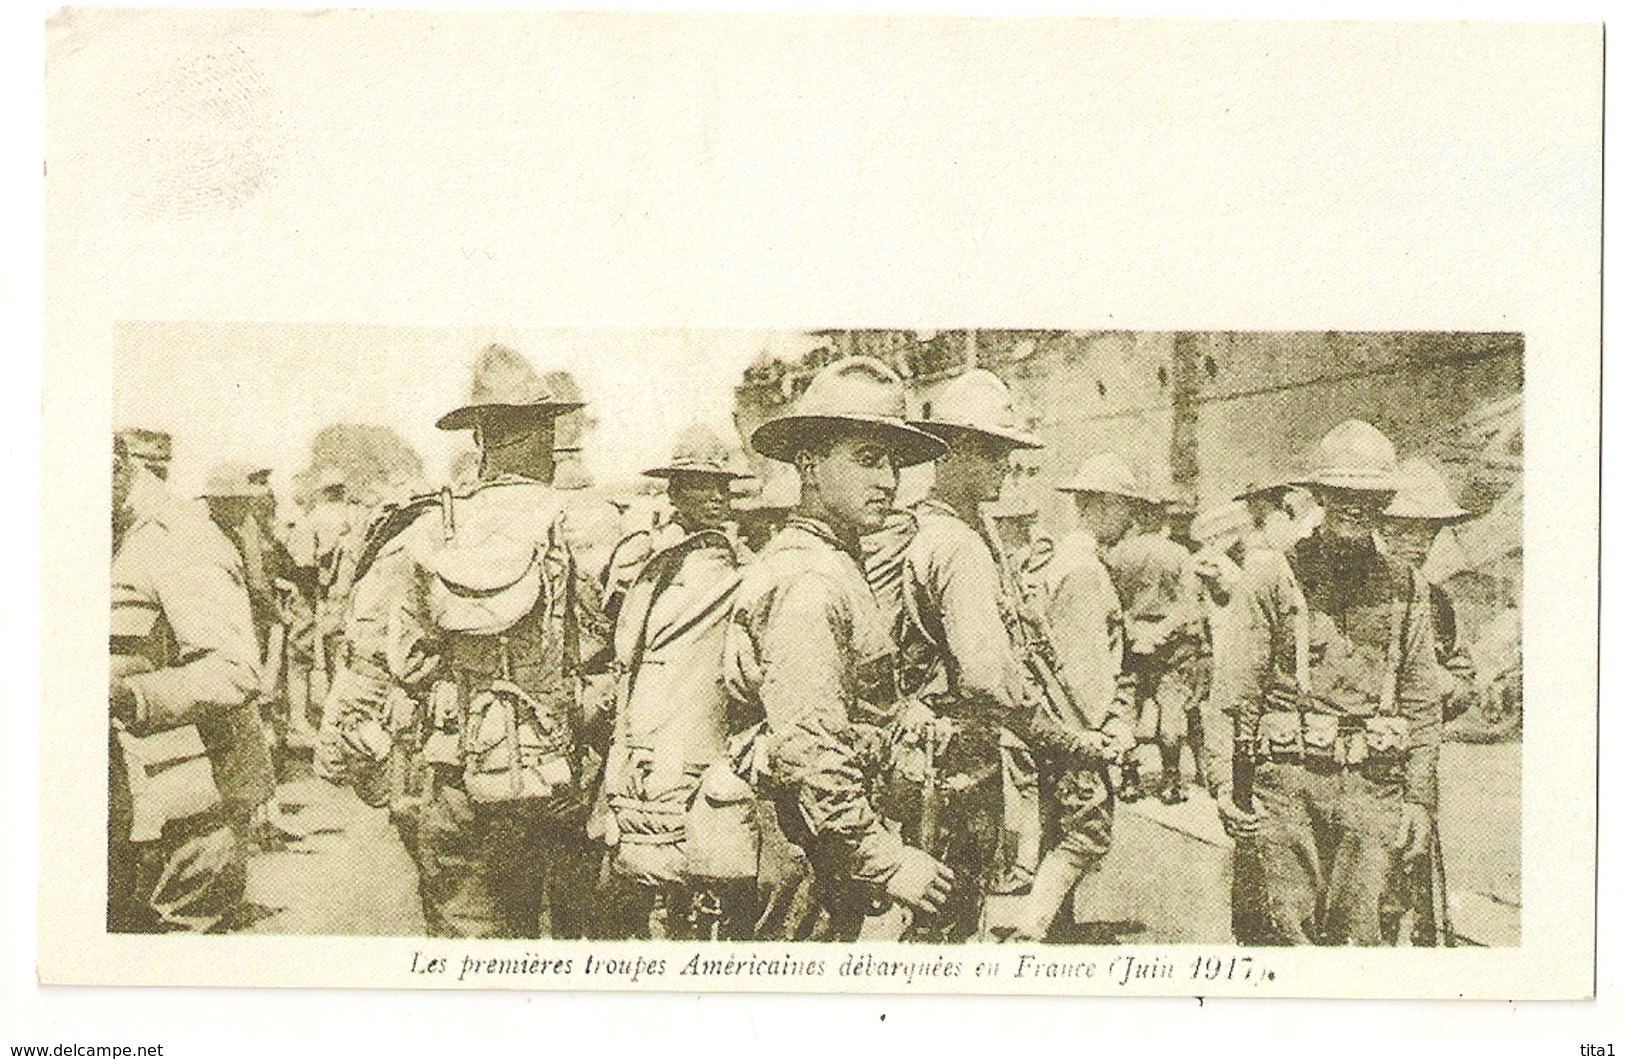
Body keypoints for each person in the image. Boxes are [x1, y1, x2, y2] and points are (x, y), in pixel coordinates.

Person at [318, 343, 611, 939]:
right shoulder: (592, 524)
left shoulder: (424, 529)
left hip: (457, 780)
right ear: (548, 432)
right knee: (574, 957)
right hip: (563, 783)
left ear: (480, 437)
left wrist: (349, 759)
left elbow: (368, 664)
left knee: (471, 958)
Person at [723, 356, 955, 942]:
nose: (887, 481)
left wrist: (904, 715)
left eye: (893, 464)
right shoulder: (811, 583)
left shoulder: (833, 564)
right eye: (868, 460)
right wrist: (885, 859)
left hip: (820, 846)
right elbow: (809, 748)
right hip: (805, 853)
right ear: (810, 465)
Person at [878, 367, 1093, 941]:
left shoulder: (934, 526)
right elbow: (987, 679)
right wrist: (1068, 740)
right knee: (945, 926)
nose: (1007, 467)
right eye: (996, 452)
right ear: (958, 450)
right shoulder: (959, 545)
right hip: (952, 770)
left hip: (921, 756)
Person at [1255, 420, 1447, 946]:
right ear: (1318, 495)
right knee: (1285, 931)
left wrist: (1419, 800)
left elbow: (1422, 703)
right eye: (1341, 493)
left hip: (1373, 787)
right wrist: (1229, 784)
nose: (1355, 506)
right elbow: (1237, 691)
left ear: (1385, 501)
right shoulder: (1275, 574)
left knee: (1358, 938)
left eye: (1370, 495)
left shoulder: (1406, 587)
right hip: (1288, 780)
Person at [600, 425, 756, 939]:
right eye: (697, 485)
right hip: (673, 731)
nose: (714, 497)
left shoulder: (654, 558)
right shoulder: (685, 562)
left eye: (721, 486)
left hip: (673, 723)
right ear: (674, 493)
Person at [110, 431, 270, 932]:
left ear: (116, 468)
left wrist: (132, 696)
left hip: (187, 814)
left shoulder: (175, 536)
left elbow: (235, 669)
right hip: (114, 809)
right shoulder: (92, 527)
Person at [1008, 453, 1138, 942]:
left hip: (1048, 724)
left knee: (1055, 827)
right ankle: (1034, 925)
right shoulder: (1084, 571)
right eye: (1126, 508)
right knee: (1088, 832)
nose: (1130, 520)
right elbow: (1084, 671)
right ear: (1103, 506)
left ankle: (1053, 926)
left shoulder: (1055, 562)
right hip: (1074, 725)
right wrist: (1103, 734)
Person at [1188, 490, 1309, 945]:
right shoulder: (1251, 571)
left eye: (1267, 521)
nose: (1261, 535)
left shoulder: (1269, 571)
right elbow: (1234, 684)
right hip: (1260, 746)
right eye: (1255, 525)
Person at [1378, 456, 1475, 946]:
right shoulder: (1351, 589)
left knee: (1413, 880)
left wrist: (1443, 687)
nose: (1418, 542)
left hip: (1416, 765)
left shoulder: (1437, 601)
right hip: (1359, 764)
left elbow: (1461, 672)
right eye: (1404, 529)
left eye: (1428, 532)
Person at [1109, 499, 1211, 805]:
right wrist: (1159, 635)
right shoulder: (1181, 556)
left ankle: (1129, 779)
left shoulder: (1118, 555)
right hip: (1171, 648)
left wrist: (1134, 633)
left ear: (1137, 518)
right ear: (1163, 520)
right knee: (1171, 710)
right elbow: (1187, 607)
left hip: (1130, 644)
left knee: (1126, 710)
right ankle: (1171, 781)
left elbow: (1113, 605)